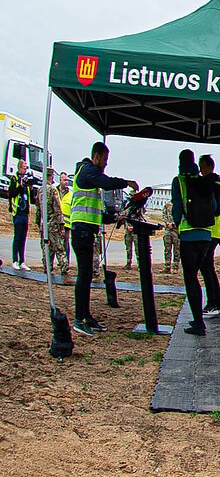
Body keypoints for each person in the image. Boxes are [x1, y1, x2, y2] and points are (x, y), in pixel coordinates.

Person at [69, 142, 137, 336]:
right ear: (97, 156)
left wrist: (114, 218)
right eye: (105, 160)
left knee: (87, 275)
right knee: (84, 275)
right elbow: (107, 182)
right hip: (81, 231)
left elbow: (96, 213)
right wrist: (127, 183)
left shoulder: (89, 177)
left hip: (86, 231)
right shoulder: (88, 171)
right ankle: (79, 319)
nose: (106, 164)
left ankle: (86, 316)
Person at [171, 149, 220, 336]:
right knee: (199, 273)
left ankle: (198, 323)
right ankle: (198, 320)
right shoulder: (205, 181)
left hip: (188, 235)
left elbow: (177, 209)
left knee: (191, 278)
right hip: (206, 236)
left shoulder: (179, 181)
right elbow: (214, 207)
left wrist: (178, 224)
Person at [198, 154, 220, 317]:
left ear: (209, 167)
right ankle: (217, 303)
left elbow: (215, 209)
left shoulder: (214, 186)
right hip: (212, 231)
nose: (200, 170)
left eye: (202, 166)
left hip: (212, 231)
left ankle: (213, 302)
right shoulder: (214, 184)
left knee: (207, 267)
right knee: (207, 266)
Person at [35, 168, 70, 276]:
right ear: (52, 177)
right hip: (53, 224)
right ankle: (64, 269)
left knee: (46, 248)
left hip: (44, 224)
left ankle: (47, 268)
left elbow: (38, 209)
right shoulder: (52, 190)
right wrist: (61, 225)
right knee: (59, 248)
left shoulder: (40, 190)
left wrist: (38, 222)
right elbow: (57, 209)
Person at [7, 159, 35, 270]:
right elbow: (12, 193)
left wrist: (30, 187)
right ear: (19, 168)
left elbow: (31, 198)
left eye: (26, 168)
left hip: (24, 213)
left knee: (23, 237)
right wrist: (20, 185)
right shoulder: (14, 179)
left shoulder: (26, 180)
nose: (25, 170)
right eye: (24, 168)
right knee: (17, 237)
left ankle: (22, 261)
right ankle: (15, 260)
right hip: (17, 212)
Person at [160, 199, 180, 274]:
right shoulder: (167, 205)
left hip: (176, 230)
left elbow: (182, 217)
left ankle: (175, 267)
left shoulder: (179, 204)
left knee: (176, 250)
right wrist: (167, 223)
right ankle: (167, 266)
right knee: (167, 249)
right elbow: (164, 215)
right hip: (168, 230)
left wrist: (173, 224)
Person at [57, 171, 73, 270]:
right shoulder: (54, 191)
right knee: (55, 243)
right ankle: (56, 262)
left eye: (67, 180)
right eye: (64, 180)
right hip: (56, 223)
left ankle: (66, 263)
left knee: (65, 243)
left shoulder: (71, 194)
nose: (66, 182)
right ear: (60, 180)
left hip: (66, 224)